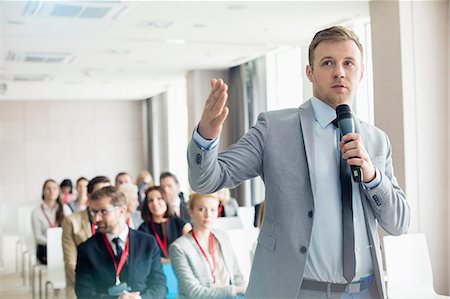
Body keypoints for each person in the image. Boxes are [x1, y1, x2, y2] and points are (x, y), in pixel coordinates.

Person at [187, 26, 410, 298]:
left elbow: (399, 223)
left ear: (360, 72)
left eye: (348, 63)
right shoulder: (274, 128)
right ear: (310, 72)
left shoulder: (376, 140)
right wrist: (206, 136)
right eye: (328, 63)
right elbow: (206, 179)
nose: (339, 71)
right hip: (298, 291)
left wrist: (373, 176)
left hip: (364, 291)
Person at [75, 186, 166, 299]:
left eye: (103, 211)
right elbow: (83, 293)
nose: (96, 219)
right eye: (94, 212)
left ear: (121, 211)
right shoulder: (87, 249)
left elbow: (160, 285)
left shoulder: (147, 243)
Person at [169, 193, 246, 299]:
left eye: (213, 210)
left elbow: (237, 276)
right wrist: (235, 290)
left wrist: (242, 291)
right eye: (201, 209)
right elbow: (194, 293)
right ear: (191, 212)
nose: (208, 215)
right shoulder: (179, 247)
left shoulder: (223, 237)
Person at [62, 175, 111, 299]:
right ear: (89, 197)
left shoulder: (116, 221)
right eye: (100, 193)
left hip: (113, 283)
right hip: (83, 282)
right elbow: (70, 263)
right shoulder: (71, 221)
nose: (105, 198)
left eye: (109, 193)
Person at [138, 186, 191, 264]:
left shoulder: (181, 224)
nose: (155, 203)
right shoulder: (143, 229)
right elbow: (144, 256)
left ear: (166, 201)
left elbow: (191, 250)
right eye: (150, 200)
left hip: (181, 266)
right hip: (156, 271)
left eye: (159, 198)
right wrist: (166, 261)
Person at [31, 179, 65, 264]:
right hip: (45, 248)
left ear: (58, 191)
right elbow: (38, 237)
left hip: (63, 245)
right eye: (48, 188)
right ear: (43, 191)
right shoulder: (36, 212)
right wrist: (54, 243)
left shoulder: (64, 209)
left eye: (54, 188)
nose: (51, 191)